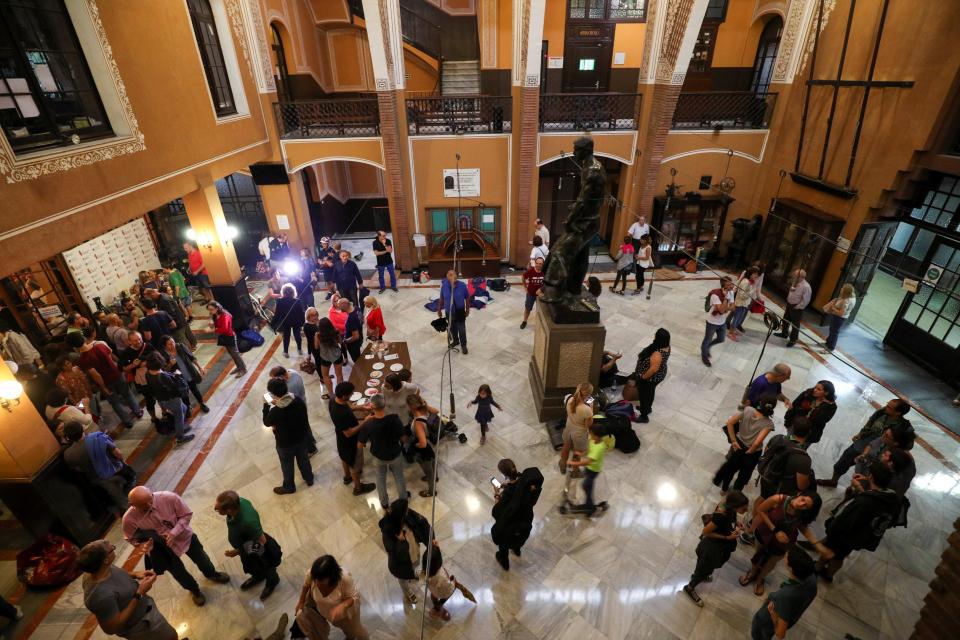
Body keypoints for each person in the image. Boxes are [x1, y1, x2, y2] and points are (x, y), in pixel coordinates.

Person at [122, 487, 229, 607]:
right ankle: (194, 590)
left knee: (202, 558)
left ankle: (212, 573)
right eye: (143, 505)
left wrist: (174, 532)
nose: (149, 505)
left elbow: (186, 514)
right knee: (179, 573)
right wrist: (143, 545)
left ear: (151, 493)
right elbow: (131, 538)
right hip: (162, 551)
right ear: (132, 504)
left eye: (150, 500)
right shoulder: (128, 519)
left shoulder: (168, 497)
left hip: (184, 537)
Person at [814, 461, 902, 581]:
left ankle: (817, 569)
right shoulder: (893, 498)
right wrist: (862, 488)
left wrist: (831, 527)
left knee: (830, 552)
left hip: (844, 535)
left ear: (871, 476)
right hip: (860, 537)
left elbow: (845, 520)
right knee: (840, 556)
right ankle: (829, 575)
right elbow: (876, 505)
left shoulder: (864, 502)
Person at [77, 539, 180, 640]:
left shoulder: (99, 568)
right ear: (105, 560)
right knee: (171, 637)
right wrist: (139, 593)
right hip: (141, 626)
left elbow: (113, 572)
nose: (112, 547)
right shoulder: (99, 596)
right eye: (112, 548)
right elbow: (111, 628)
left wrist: (135, 574)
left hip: (147, 610)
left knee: (171, 634)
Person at [739, 494, 823, 597]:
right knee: (757, 554)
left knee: (772, 561)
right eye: (803, 499)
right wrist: (775, 530)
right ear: (799, 494)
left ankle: (760, 579)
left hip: (783, 542)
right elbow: (760, 510)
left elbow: (803, 528)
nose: (801, 504)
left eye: (806, 506)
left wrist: (817, 545)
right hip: (765, 533)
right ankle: (752, 572)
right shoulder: (779, 499)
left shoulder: (802, 514)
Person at [817, 398, 911, 488]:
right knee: (843, 462)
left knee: (867, 475)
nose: (886, 407)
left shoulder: (905, 427)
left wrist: (891, 448)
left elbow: (907, 445)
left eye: (890, 407)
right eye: (887, 404)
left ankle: (857, 490)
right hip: (862, 445)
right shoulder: (882, 412)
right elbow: (870, 423)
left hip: (878, 455)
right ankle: (833, 481)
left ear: (898, 413)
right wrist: (860, 434)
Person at [681, 489, 749, 606]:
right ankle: (690, 587)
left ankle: (699, 574)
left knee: (704, 567)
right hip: (711, 549)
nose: (746, 510)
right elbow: (706, 531)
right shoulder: (721, 516)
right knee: (704, 568)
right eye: (743, 508)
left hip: (717, 548)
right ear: (735, 505)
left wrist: (736, 524)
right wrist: (727, 538)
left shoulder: (729, 508)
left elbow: (730, 518)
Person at [214, 491, 280, 601]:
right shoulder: (238, 502)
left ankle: (272, 581)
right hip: (247, 545)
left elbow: (262, 542)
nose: (216, 510)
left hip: (259, 548)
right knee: (253, 566)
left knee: (267, 565)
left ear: (229, 510)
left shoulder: (248, 522)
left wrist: (239, 551)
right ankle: (258, 576)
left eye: (217, 509)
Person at [67, 331, 141, 429]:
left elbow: (96, 375)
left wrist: (103, 387)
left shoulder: (82, 360)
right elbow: (110, 355)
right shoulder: (99, 345)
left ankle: (127, 422)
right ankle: (138, 412)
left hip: (106, 381)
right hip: (116, 373)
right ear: (83, 338)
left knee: (115, 402)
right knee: (127, 393)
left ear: (73, 346)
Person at [62, 421, 134, 511]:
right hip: (117, 470)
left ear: (68, 437)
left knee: (120, 499)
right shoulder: (97, 437)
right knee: (131, 479)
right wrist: (123, 463)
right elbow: (117, 453)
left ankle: (130, 514)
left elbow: (78, 469)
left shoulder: (68, 454)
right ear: (82, 429)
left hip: (99, 479)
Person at [293, 555, 369, 640]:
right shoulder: (314, 573)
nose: (317, 583)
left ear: (331, 577)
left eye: (321, 581)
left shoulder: (345, 579)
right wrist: (301, 601)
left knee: (355, 631)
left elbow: (354, 597)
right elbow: (306, 585)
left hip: (346, 615)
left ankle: (351, 637)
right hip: (328, 613)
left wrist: (343, 606)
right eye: (315, 580)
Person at [750, 547, 818, 640]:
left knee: (758, 636)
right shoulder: (811, 578)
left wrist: (773, 614)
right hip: (792, 614)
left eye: (786, 557)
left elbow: (780, 634)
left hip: (765, 624)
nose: (784, 556)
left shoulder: (785, 596)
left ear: (791, 567)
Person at [713, 396, 777, 492]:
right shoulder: (768, 424)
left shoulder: (748, 410)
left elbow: (729, 423)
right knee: (743, 475)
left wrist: (734, 441)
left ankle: (724, 489)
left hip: (738, 446)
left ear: (760, 403)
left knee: (730, 469)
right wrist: (749, 452)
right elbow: (757, 443)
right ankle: (735, 493)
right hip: (752, 453)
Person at [263, 378, 314, 495]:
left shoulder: (276, 411)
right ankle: (309, 478)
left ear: (274, 394)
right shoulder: (297, 400)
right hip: (301, 438)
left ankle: (289, 486)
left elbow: (266, 422)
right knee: (304, 460)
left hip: (285, 443)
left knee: (287, 464)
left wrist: (266, 406)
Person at [357, 394, 408, 509]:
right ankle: (403, 499)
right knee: (399, 476)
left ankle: (384, 502)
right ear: (384, 404)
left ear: (371, 406)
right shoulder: (394, 419)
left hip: (378, 456)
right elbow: (403, 439)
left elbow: (360, 445)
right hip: (395, 453)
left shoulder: (368, 424)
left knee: (380, 478)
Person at [491, 459, 543, 570]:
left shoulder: (508, 495)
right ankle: (517, 549)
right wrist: (507, 486)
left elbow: (498, 512)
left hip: (511, 525)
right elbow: (518, 490)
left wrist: (496, 495)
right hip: (525, 519)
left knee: (503, 543)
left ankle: (504, 562)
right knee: (519, 537)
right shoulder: (527, 482)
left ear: (503, 474)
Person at [378, 498, 431, 604]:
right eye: (406, 510)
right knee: (403, 578)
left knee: (415, 565)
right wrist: (401, 541)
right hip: (403, 561)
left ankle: (412, 574)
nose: (408, 511)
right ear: (400, 515)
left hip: (414, 550)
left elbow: (421, 523)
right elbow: (395, 554)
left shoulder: (405, 517)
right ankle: (407, 592)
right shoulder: (388, 531)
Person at [329, 382, 376, 496]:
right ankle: (358, 487)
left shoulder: (334, 399)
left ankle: (347, 477)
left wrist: (361, 407)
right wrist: (365, 421)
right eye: (351, 393)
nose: (352, 394)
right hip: (350, 441)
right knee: (355, 463)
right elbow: (349, 433)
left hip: (340, 437)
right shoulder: (341, 413)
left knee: (344, 457)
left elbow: (348, 407)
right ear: (345, 395)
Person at [564, 421, 614, 516]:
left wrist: (574, 462)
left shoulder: (599, 448)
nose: (590, 435)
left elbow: (589, 461)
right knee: (586, 484)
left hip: (594, 470)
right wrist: (581, 454)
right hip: (589, 468)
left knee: (586, 486)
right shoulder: (593, 440)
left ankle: (590, 508)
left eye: (591, 434)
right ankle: (589, 504)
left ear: (597, 436)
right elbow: (589, 449)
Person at [144, 353, 194, 445]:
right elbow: (174, 388)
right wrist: (178, 376)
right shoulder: (162, 376)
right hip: (172, 400)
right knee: (179, 417)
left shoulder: (148, 374)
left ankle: (181, 427)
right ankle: (180, 438)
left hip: (162, 400)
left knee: (184, 408)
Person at [559, 383, 593, 502]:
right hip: (579, 432)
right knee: (577, 453)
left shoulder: (569, 399)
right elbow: (588, 425)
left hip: (569, 427)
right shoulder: (586, 409)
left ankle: (562, 465)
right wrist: (591, 407)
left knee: (566, 447)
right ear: (588, 395)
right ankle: (575, 471)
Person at [158, 336, 208, 413]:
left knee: (194, 389)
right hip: (178, 378)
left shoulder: (180, 346)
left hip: (188, 372)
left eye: (173, 342)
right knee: (184, 393)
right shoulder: (163, 354)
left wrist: (200, 367)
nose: (173, 345)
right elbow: (164, 370)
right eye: (170, 344)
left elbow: (191, 357)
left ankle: (202, 403)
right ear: (165, 346)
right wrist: (170, 364)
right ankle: (188, 407)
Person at [118, 331, 159, 422]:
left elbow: (158, 356)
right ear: (129, 341)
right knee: (149, 399)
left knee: (160, 395)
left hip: (155, 375)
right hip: (141, 379)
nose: (139, 342)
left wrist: (147, 363)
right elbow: (122, 368)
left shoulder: (148, 346)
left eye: (140, 339)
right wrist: (133, 365)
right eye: (135, 341)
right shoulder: (126, 352)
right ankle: (154, 417)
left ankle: (164, 412)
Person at [631, 328, 670, 422]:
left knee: (644, 395)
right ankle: (647, 408)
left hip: (650, 378)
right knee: (650, 392)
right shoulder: (666, 346)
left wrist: (643, 377)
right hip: (659, 374)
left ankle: (644, 416)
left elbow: (653, 369)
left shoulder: (658, 353)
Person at [784, 381, 837, 446]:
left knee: (798, 449)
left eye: (819, 389)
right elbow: (793, 406)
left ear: (826, 392)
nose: (815, 390)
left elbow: (820, 421)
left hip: (809, 434)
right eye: (815, 387)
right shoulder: (806, 394)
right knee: (787, 443)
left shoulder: (831, 406)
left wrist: (820, 406)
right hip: (794, 426)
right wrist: (787, 422)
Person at [407, 394, 438, 497]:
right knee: (433, 461)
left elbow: (423, 443)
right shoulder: (426, 411)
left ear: (411, 407)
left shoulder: (418, 422)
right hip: (432, 442)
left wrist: (416, 445)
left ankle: (431, 491)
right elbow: (436, 411)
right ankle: (436, 477)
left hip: (425, 449)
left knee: (428, 471)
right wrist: (424, 404)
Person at [701, 277, 735, 366]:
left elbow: (732, 307)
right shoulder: (715, 295)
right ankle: (704, 356)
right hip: (712, 322)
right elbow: (721, 311)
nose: (731, 286)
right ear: (723, 286)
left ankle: (707, 347)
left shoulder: (731, 292)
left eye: (731, 284)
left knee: (721, 339)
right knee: (707, 339)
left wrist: (724, 308)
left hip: (722, 322)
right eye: (728, 285)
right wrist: (725, 299)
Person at [207, 302, 247, 376]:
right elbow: (217, 326)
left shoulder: (225, 315)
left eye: (211, 309)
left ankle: (243, 369)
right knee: (232, 354)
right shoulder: (215, 315)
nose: (210, 311)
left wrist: (213, 330)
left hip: (230, 336)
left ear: (217, 308)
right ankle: (239, 367)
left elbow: (225, 329)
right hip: (224, 337)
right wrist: (212, 325)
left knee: (235, 354)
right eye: (209, 310)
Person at [776, 269, 812, 347]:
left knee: (795, 324)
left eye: (795, 276)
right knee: (786, 319)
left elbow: (806, 300)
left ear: (800, 277)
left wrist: (797, 307)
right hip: (789, 304)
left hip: (796, 307)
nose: (793, 277)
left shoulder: (806, 287)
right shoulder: (795, 282)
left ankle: (793, 340)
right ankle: (784, 333)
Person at [438, 270, 470, 354]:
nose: (453, 276)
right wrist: (439, 310)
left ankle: (464, 345)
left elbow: (467, 297)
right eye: (450, 275)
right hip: (449, 312)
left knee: (462, 329)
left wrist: (467, 309)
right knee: (452, 328)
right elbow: (441, 298)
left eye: (454, 274)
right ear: (447, 277)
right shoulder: (444, 286)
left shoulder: (462, 286)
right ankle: (456, 341)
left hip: (460, 312)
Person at [314, 317, 345, 400]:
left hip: (325, 357)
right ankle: (340, 394)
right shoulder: (336, 332)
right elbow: (341, 342)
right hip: (337, 355)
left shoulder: (318, 335)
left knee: (325, 376)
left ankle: (331, 394)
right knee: (339, 375)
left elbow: (316, 347)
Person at [822, 283, 857, 352]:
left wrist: (833, 308)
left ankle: (830, 347)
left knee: (834, 332)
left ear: (846, 292)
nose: (841, 289)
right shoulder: (852, 297)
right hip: (840, 317)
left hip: (839, 318)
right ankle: (828, 343)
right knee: (832, 330)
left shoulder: (847, 301)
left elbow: (841, 313)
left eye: (843, 288)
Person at [275, 283, 305, 358]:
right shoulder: (297, 301)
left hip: (286, 322)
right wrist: (302, 322)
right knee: (297, 336)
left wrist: (274, 324)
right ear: (293, 292)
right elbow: (301, 313)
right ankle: (300, 349)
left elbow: (277, 314)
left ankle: (285, 352)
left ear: (283, 292)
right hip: (296, 321)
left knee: (286, 337)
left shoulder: (279, 301)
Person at [729, 266, 759, 337]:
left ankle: (734, 330)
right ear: (750, 274)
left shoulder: (750, 282)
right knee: (736, 318)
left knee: (739, 318)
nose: (756, 276)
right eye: (755, 274)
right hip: (740, 304)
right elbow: (742, 295)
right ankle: (730, 333)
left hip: (744, 304)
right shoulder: (745, 282)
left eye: (757, 274)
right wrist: (753, 291)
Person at [520, 256, 545, 329]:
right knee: (528, 308)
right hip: (531, 294)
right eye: (537, 263)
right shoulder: (531, 271)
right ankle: (524, 321)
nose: (538, 265)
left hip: (541, 294)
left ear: (543, 264)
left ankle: (541, 323)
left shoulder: (545, 271)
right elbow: (523, 277)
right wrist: (525, 287)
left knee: (542, 310)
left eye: (540, 264)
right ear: (535, 263)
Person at [340, 298, 363, 363]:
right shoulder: (357, 308)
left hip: (353, 345)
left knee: (357, 361)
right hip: (360, 339)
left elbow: (355, 336)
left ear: (344, 304)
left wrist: (346, 341)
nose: (338, 307)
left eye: (339, 305)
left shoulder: (351, 319)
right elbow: (362, 320)